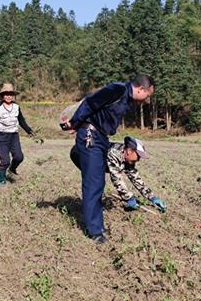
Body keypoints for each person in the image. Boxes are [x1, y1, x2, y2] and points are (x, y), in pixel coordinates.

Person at [66, 75, 155, 244]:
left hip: (101, 138)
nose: (146, 99)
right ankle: (94, 230)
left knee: (99, 182)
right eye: (148, 95)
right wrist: (75, 122)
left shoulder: (127, 100)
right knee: (93, 182)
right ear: (141, 89)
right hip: (90, 135)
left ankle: (97, 225)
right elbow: (90, 102)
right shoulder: (118, 89)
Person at [0, 83, 36, 186]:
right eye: (6, 94)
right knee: (5, 160)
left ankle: (12, 169)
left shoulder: (16, 107)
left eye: (10, 94)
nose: (8, 96)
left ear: (13, 95)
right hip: (1, 136)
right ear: (2, 96)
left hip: (14, 136)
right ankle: (1, 179)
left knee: (19, 157)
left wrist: (29, 131)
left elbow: (21, 121)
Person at [106, 136, 166, 212]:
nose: (138, 159)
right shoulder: (113, 153)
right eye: (138, 156)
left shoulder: (128, 159)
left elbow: (135, 178)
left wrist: (152, 197)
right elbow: (116, 178)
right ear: (129, 151)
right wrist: (128, 198)